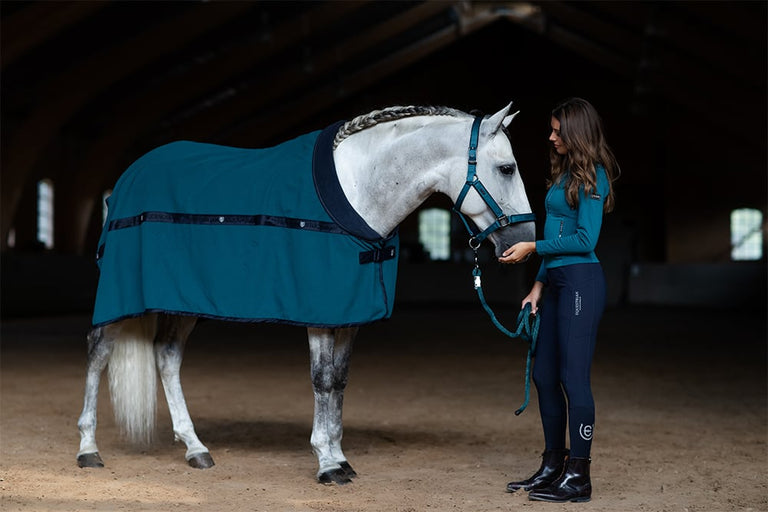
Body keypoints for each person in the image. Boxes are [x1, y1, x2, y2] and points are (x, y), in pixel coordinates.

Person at [498, 97, 619, 503]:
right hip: (557, 283)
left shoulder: (594, 175)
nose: (551, 137)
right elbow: (560, 239)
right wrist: (538, 285)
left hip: (583, 282)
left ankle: (579, 475)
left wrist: (533, 246)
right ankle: (553, 465)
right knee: (544, 375)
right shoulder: (564, 172)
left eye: (557, 131)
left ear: (576, 133)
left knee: (573, 378)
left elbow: (586, 240)